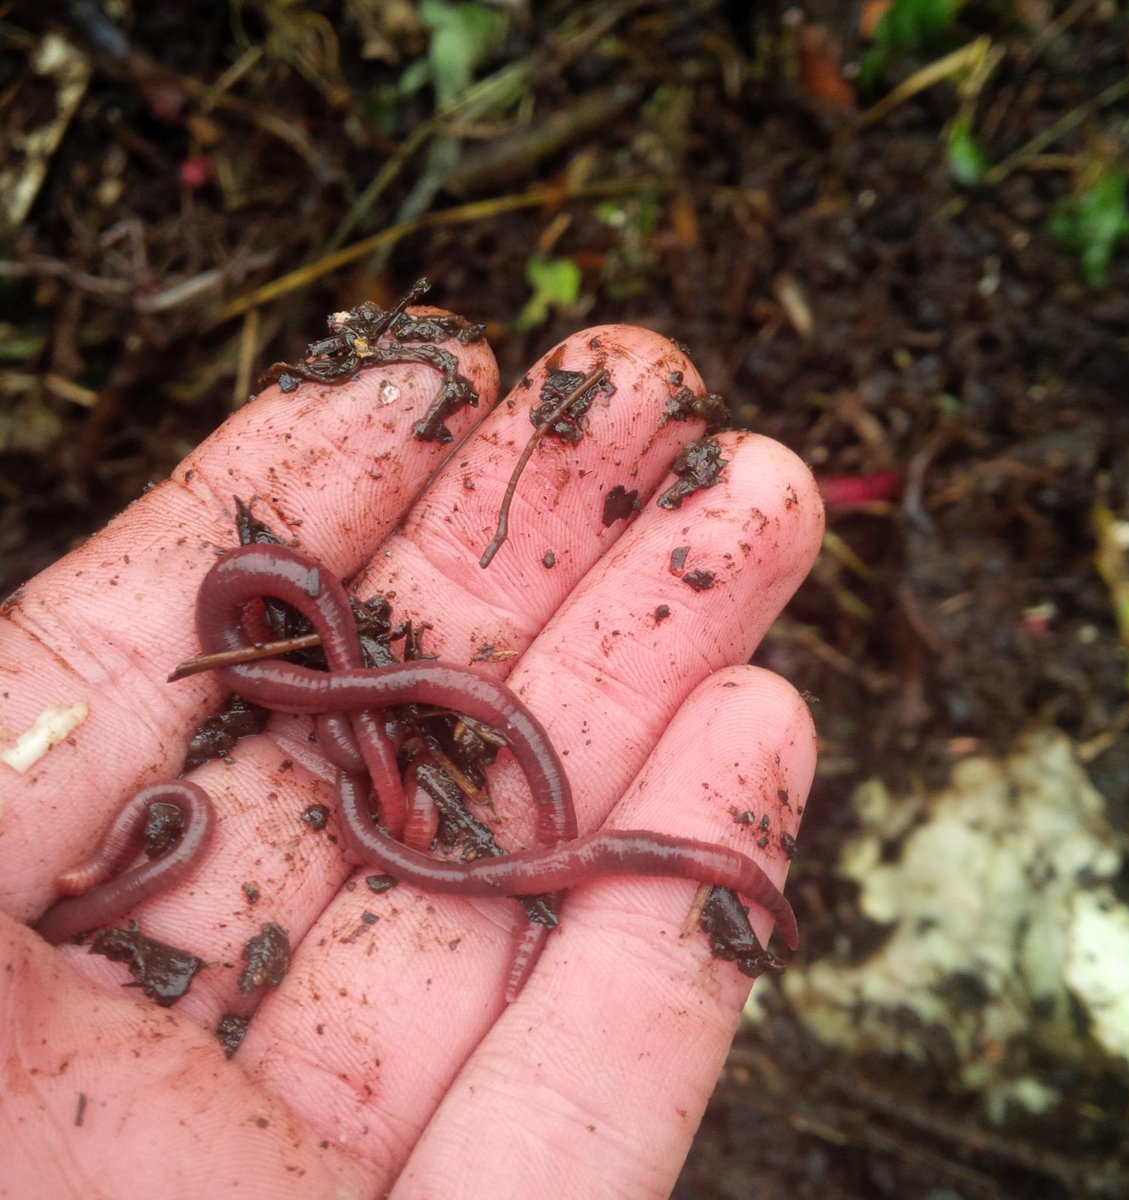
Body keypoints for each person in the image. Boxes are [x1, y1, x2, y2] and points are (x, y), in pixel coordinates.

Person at [0, 316, 822, 1199]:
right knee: (398, 758)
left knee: (415, 747)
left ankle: (499, 849)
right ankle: (497, 852)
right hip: (341, 720)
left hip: (343, 708)